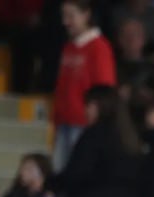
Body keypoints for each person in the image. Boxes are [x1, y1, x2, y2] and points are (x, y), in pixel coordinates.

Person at [51, 0, 115, 169]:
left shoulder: (99, 47)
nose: (65, 21)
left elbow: (104, 90)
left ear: (86, 15)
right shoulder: (68, 47)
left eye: (71, 15)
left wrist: (96, 125)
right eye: (64, 15)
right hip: (64, 123)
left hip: (84, 125)